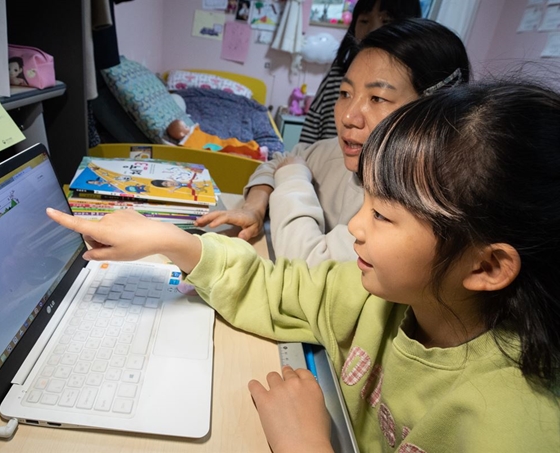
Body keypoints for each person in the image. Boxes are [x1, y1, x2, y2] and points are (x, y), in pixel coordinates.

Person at [46, 80, 560, 451]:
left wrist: (307, 445)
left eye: (382, 214)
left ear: (487, 267)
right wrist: (172, 240)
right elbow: (280, 286)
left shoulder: (513, 426)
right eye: (366, 201)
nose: (356, 227)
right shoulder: (379, 293)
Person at [195, 18, 471, 266]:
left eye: (377, 98)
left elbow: (312, 270)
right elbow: (280, 160)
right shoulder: (334, 153)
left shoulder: (417, 206)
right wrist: (254, 207)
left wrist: (293, 177)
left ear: (434, 111)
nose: (348, 116)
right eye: (345, 93)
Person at [300, 0, 422, 144]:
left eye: (386, 20)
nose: (373, 29)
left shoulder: (413, 81)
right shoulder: (338, 72)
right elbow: (312, 125)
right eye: (364, 21)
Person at [166, 119, 268, 161]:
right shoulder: (186, 143)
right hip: (216, 148)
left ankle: (255, 152)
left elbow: (206, 137)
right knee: (230, 148)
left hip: (217, 142)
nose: (188, 127)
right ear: (181, 133)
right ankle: (254, 155)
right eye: (185, 126)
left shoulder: (194, 132)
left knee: (232, 142)